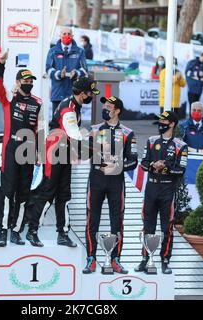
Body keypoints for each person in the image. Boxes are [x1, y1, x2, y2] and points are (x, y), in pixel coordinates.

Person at [26, 77, 100, 247]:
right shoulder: (69, 108)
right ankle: (32, 231)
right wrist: (95, 144)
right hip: (54, 153)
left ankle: (63, 233)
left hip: (65, 153)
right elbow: (75, 134)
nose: (91, 97)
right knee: (48, 193)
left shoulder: (75, 105)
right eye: (90, 93)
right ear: (82, 94)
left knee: (65, 194)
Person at [83, 96, 138, 274]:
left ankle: (115, 259)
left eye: (109, 106)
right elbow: (83, 153)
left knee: (117, 222)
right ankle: (91, 258)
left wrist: (118, 166)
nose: (105, 109)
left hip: (116, 182)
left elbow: (134, 161)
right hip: (97, 180)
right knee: (92, 221)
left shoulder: (128, 133)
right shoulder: (94, 130)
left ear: (117, 111)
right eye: (104, 106)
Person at [0, 49, 42, 247]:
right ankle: (3, 230)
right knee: (8, 191)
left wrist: (39, 152)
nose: (29, 83)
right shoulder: (9, 99)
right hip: (11, 147)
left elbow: (38, 128)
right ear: (18, 82)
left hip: (29, 149)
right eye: (26, 81)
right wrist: (1, 64)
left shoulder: (37, 102)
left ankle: (16, 230)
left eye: (31, 81)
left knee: (24, 193)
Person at [135, 111, 188, 275]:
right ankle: (145, 259)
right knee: (147, 226)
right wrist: (153, 165)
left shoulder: (181, 145)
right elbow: (143, 163)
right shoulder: (151, 141)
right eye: (160, 121)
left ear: (172, 124)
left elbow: (181, 170)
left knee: (167, 228)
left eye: (164, 121)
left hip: (167, 191)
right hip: (151, 189)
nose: (160, 123)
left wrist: (165, 167)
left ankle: (165, 260)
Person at [46, 27, 88, 113]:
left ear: (72, 36)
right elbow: (48, 69)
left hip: (75, 93)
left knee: (74, 121)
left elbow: (84, 70)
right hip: (58, 92)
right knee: (57, 121)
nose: (66, 36)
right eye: (64, 34)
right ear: (60, 35)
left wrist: (76, 73)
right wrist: (59, 74)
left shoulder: (80, 51)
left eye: (69, 34)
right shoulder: (53, 51)